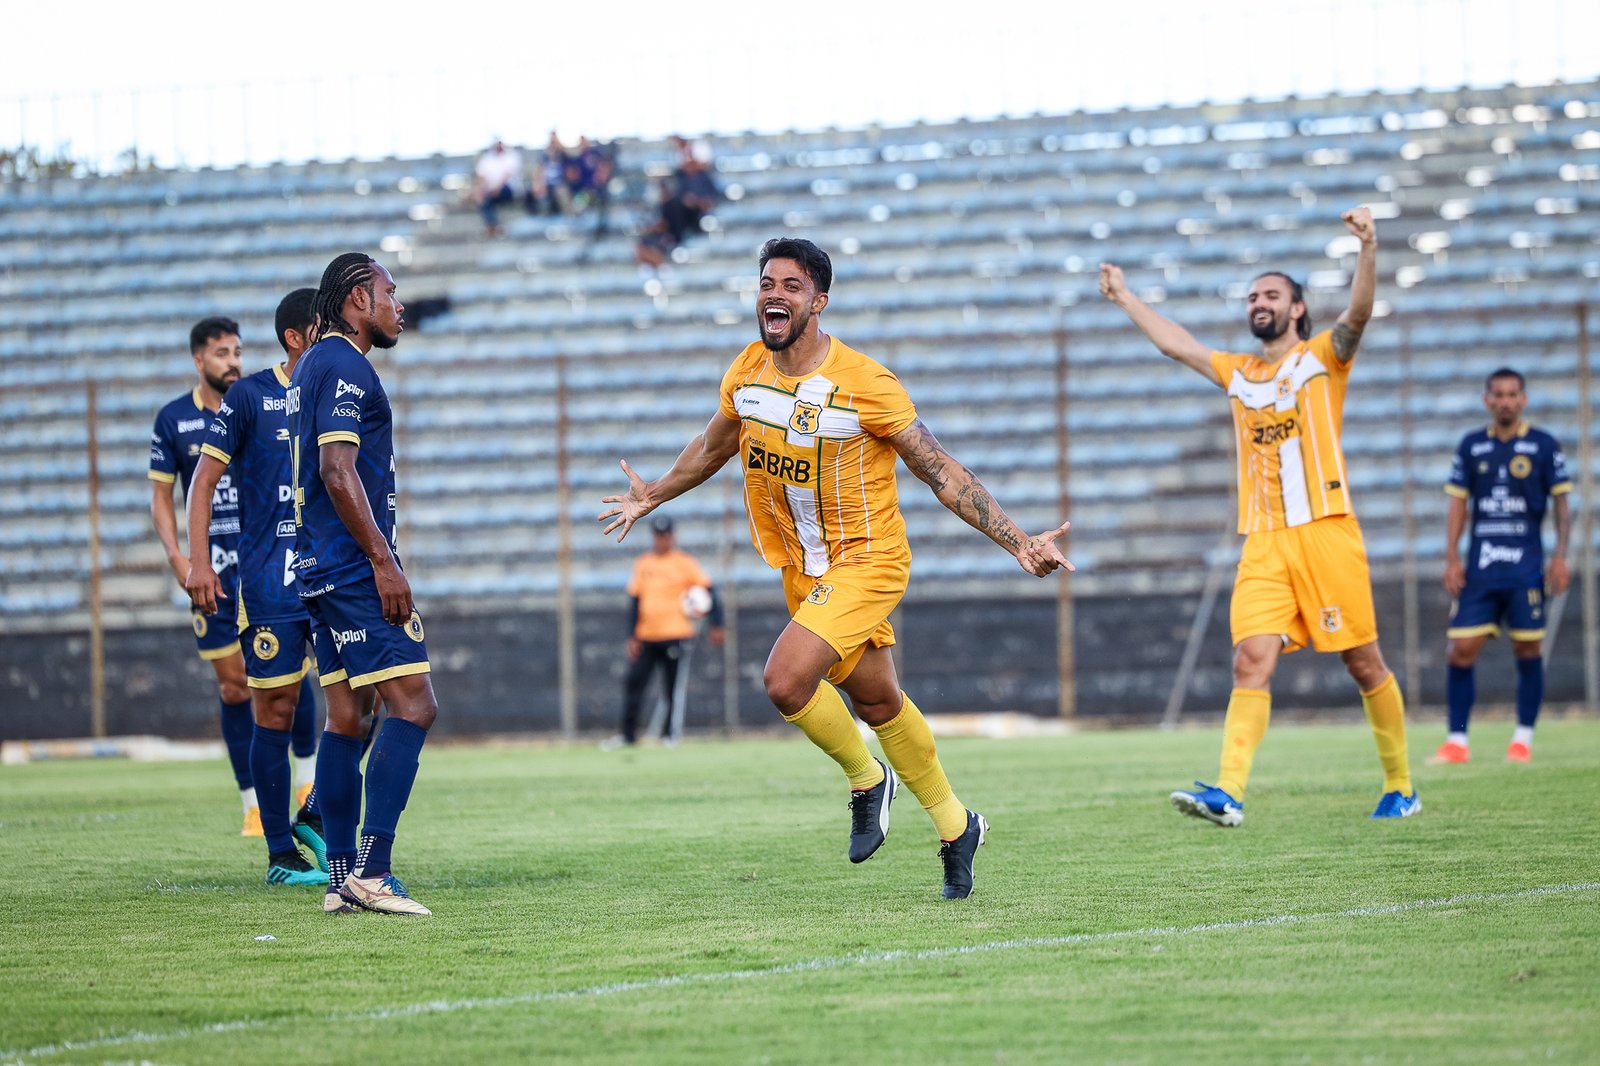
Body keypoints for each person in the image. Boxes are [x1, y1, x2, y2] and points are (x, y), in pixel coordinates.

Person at [600, 237, 1072, 899]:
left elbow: (940, 471)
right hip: (806, 571)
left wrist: (1018, 541)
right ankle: (956, 825)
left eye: (792, 285)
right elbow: (715, 444)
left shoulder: (866, 383)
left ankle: (866, 780)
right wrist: (653, 493)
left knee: (786, 681)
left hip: (869, 562)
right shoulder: (747, 372)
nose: (774, 293)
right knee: (878, 700)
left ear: (818, 301)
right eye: (768, 281)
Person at [1099, 206, 1420, 825]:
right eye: (1252, 296)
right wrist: (1125, 297)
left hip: (1326, 530)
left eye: (1271, 294)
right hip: (1264, 543)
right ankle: (1229, 792)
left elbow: (1357, 315)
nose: (1258, 302)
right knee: (1250, 659)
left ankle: (1401, 785)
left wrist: (1369, 248)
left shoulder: (1324, 357)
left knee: (1362, 662)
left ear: (1297, 308)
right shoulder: (1239, 373)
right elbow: (1177, 344)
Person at [288, 252, 437, 916]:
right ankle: (372, 871)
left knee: (348, 717)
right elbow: (336, 469)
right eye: (388, 292)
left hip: (318, 566)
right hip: (351, 567)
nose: (397, 304)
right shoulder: (346, 363)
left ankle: (340, 877)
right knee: (415, 705)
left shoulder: (313, 364)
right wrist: (384, 560)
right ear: (357, 301)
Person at [185, 290, 330, 888]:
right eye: (327, 327)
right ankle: (279, 853)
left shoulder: (339, 389)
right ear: (297, 336)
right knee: (275, 707)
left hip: (335, 574)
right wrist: (198, 562)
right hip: (271, 579)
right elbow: (202, 481)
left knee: (371, 697)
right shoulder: (249, 397)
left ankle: (317, 808)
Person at [149, 317, 255, 834]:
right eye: (221, 352)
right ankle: (253, 803)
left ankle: (304, 786)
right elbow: (162, 498)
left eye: (237, 350)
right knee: (236, 687)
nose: (233, 360)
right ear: (199, 360)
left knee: (293, 678)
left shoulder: (256, 403)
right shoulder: (173, 420)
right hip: (210, 572)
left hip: (261, 561)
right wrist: (181, 560)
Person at [1436, 368, 1573, 763]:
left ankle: (1522, 739)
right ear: (1487, 401)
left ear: (1523, 399)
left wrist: (1560, 555)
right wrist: (1451, 557)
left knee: (1528, 649)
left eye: (1513, 394)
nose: (1506, 401)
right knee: (1460, 650)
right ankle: (1457, 742)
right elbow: (1458, 503)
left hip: (1526, 569)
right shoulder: (1472, 446)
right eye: (1498, 394)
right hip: (1480, 570)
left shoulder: (1544, 446)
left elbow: (1562, 506)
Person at [608, 516, 725, 748]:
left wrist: (716, 624)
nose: (662, 540)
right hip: (646, 635)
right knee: (633, 683)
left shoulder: (685, 563)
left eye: (665, 535)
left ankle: (670, 734)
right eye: (658, 536)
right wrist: (631, 635)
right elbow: (635, 600)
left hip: (676, 634)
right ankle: (628, 735)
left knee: (672, 688)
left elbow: (709, 593)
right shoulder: (644, 564)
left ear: (671, 537)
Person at [473, 139, 526, 236]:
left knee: (487, 199)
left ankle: (492, 226)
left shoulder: (512, 156)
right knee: (484, 199)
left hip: (509, 189)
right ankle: (492, 226)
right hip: (491, 191)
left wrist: (496, 189)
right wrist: (480, 190)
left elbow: (507, 176)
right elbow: (481, 176)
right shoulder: (487, 158)